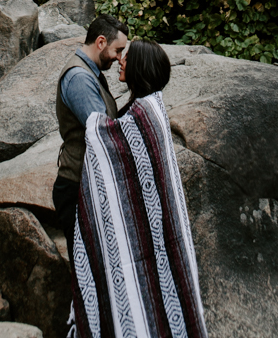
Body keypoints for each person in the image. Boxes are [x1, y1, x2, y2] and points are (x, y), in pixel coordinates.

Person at [69, 39, 208, 338]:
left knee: (155, 289)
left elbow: (110, 139)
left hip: (156, 233)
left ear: (140, 65)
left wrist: (94, 124)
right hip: (145, 230)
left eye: (126, 57)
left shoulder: (145, 111)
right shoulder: (144, 106)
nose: (120, 60)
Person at [53, 14, 129, 263]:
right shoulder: (80, 78)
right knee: (87, 266)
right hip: (76, 186)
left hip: (84, 184)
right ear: (100, 42)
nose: (119, 58)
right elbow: (101, 133)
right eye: (117, 50)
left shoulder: (91, 72)